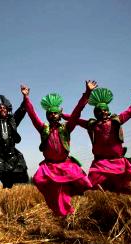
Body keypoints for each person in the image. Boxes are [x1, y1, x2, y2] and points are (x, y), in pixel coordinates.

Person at [22, 80, 97, 216]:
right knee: (38, 179)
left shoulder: (66, 128)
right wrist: (26, 98)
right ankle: (56, 205)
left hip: (65, 164)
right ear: (47, 115)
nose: (52, 115)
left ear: (59, 115)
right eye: (50, 114)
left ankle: (72, 197)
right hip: (49, 166)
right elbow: (33, 115)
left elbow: (76, 113)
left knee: (84, 182)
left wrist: (87, 93)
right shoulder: (43, 128)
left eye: (55, 113)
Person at [63, 87, 131, 194]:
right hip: (100, 164)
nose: (103, 112)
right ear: (95, 113)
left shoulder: (116, 121)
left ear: (108, 111)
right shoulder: (92, 125)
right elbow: (76, 120)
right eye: (99, 111)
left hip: (119, 162)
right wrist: (63, 115)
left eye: (105, 110)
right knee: (92, 190)